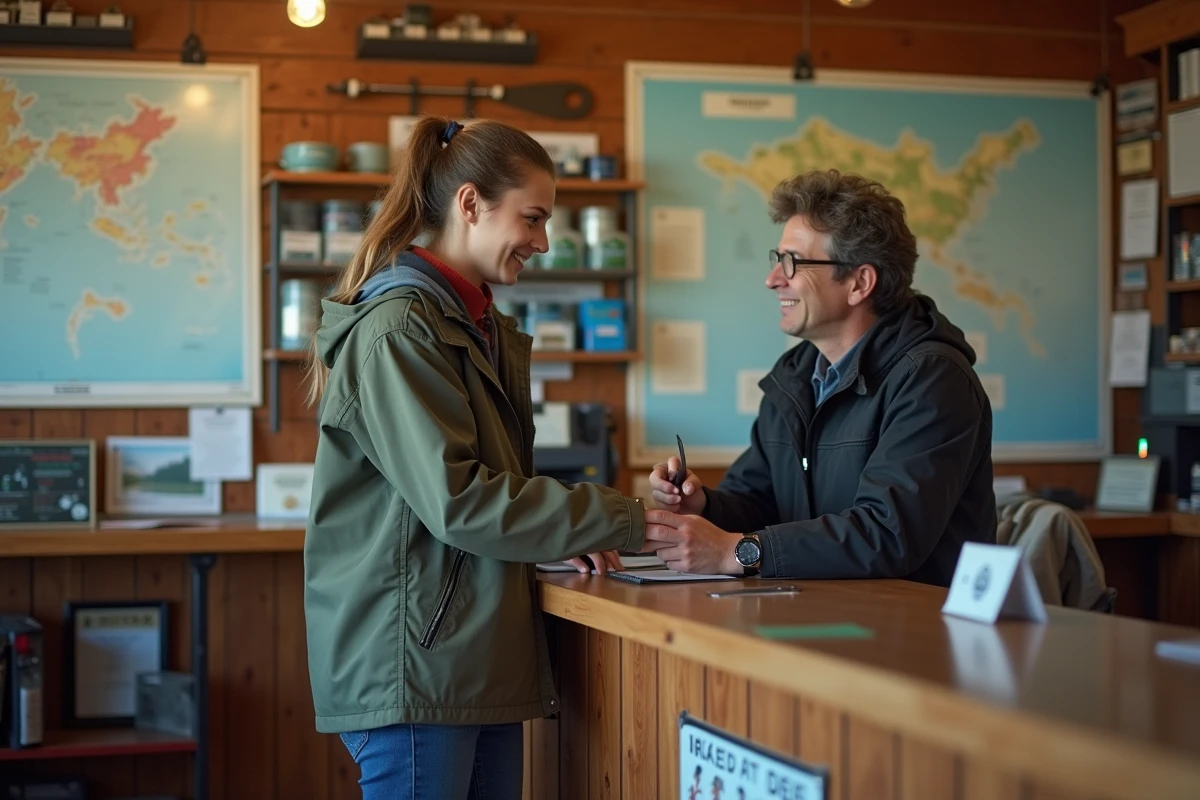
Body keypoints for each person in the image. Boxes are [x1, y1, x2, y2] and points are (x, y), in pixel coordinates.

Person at [302, 116, 646, 799]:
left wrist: (563, 533)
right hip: (415, 663)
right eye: (533, 219)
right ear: (469, 205)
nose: (543, 243)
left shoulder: (467, 323)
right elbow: (461, 501)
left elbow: (487, 490)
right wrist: (626, 519)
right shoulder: (401, 328)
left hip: (463, 657)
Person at [646, 169, 995, 584]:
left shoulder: (932, 380)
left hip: (911, 635)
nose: (773, 279)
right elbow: (761, 502)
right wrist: (703, 506)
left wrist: (734, 552)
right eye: (777, 261)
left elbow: (887, 535)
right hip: (814, 619)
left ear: (858, 282)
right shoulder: (793, 378)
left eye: (792, 262)